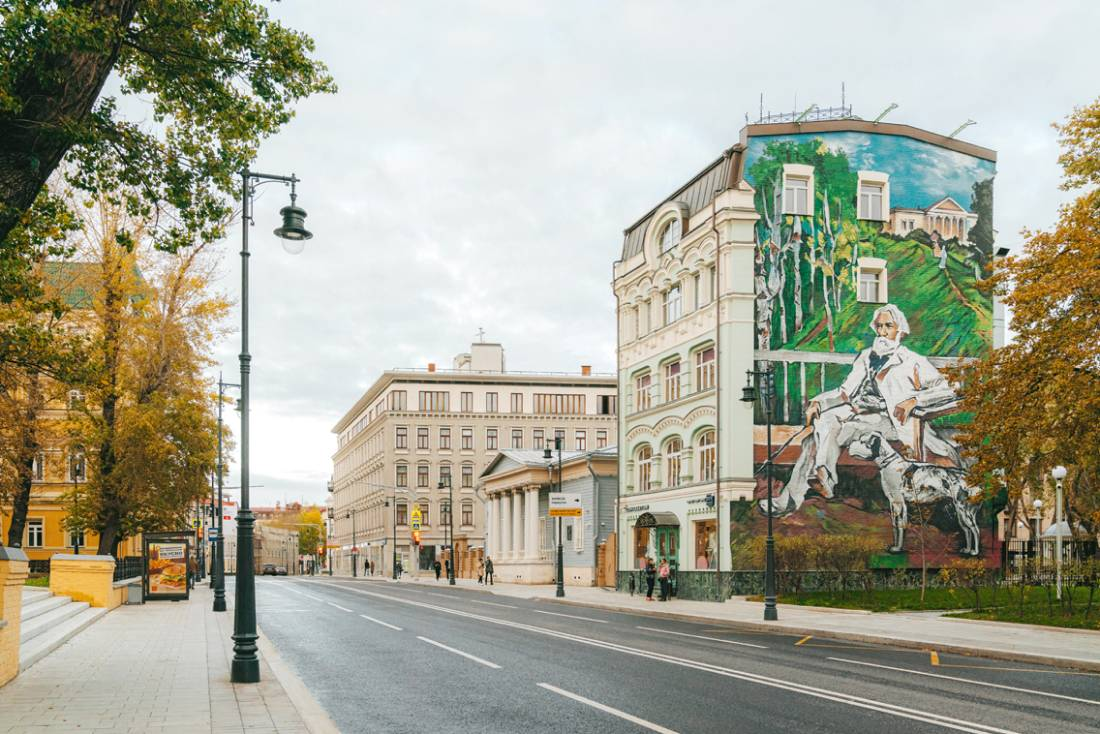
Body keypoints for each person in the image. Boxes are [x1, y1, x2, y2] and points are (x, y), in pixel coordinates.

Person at [766, 303, 960, 516]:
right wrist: (818, 403)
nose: (883, 331)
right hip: (861, 417)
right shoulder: (867, 356)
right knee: (821, 428)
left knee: (817, 439)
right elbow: (844, 391)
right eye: (879, 326)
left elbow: (950, 388)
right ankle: (820, 476)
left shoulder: (912, 361)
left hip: (893, 421)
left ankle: (798, 494)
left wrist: (914, 400)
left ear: (900, 330)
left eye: (888, 326)